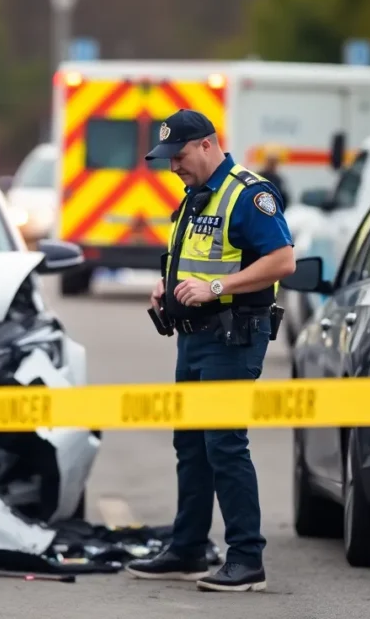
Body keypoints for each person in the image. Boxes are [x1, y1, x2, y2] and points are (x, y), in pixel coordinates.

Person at [125, 109, 296, 593]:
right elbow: (195, 257)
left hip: (233, 334)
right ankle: (188, 549)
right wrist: (168, 284)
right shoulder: (197, 195)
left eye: (178, 156)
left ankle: (247, 559)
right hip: (195, 335)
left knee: (223, 444)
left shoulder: (248, 193)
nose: (172, 166)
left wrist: (217, 286)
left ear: (205, 145)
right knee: (192, 445)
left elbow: (283, 260)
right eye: (167, 159)